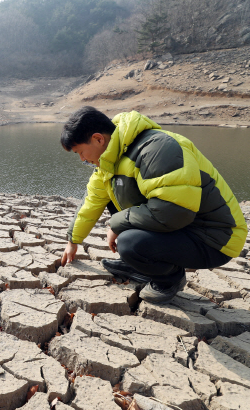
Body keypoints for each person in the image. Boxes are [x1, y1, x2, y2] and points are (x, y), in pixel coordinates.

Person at [59, 106, 247, 304]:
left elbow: (172, 212)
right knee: (114, 198)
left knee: (129, 242)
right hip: (184, 227)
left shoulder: (159, 148)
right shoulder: (109, 160)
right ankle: (141, 264)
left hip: (215, 238)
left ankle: (170, 279)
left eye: (80, 152)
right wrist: (73, 241)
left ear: (98, 139)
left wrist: (116, 224)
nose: (82, 159)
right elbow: (92, 201)